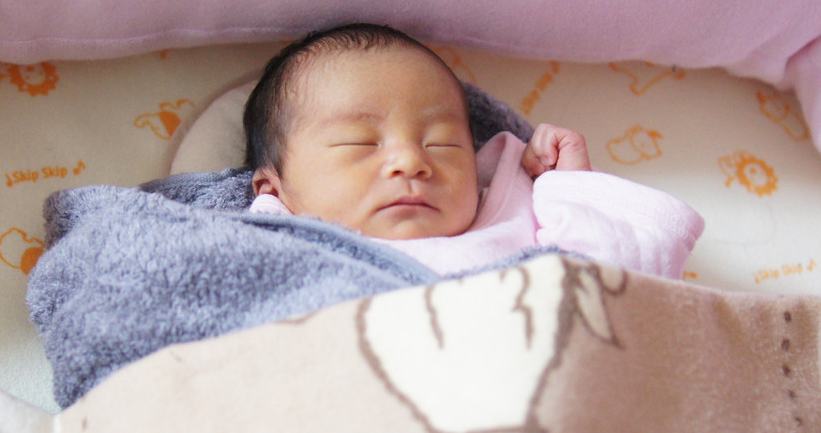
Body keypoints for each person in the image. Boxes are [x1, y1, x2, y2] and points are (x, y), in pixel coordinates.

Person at [243, 23, 704, 279]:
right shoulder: (274, 254)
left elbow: (631, 283)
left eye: (441, 143)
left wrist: (571, 189)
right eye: (360, 142)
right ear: (273, 190)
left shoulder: (516, 215)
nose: (412, 161)